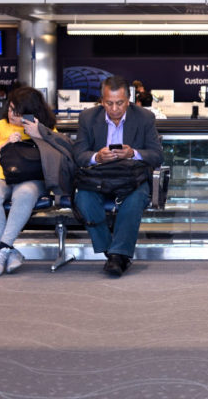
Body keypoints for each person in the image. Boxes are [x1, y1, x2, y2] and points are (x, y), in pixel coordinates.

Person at [73, 76, 164, 277]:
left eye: (120, 103)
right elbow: (79, 155)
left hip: (133, 177)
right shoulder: (88, 118)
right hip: (98, 177)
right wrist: (97, 156)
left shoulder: (144, 117)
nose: (114, 108)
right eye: (109, 103)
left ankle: (116, 254)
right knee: (83, 198)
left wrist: (133, 153)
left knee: (135, 200)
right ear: (102, 101)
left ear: (128, 100)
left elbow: (157, 155)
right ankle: (115, 253)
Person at [0, 87, 74, 275]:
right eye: (10, 108)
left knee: (25, 193)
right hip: (1, 176)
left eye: (16, 110)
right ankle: (9, 251)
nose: (11, 114)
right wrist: (5, 145)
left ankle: (2, 250)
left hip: (32, 178)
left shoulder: (44, 128)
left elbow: (62, 157)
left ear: (30, 110)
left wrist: (40, 135)